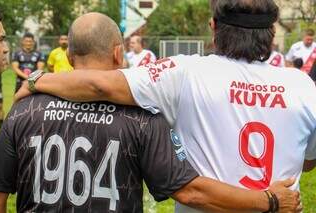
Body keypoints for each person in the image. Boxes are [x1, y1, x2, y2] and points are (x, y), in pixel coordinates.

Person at [16, 3, 311, 213]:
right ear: (271, 33)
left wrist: (37, 79)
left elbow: (100, 85)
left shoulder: (187, 72)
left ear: (214, 27)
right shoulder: (303, 86)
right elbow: (308, 160)